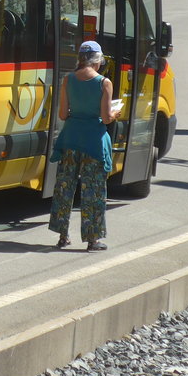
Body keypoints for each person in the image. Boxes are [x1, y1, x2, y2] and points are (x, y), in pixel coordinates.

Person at [47, 39, 116, 251]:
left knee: (64, 188)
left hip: (70, 139)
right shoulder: (104, 83)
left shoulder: (68, 79)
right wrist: (115, 114)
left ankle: (62, 236)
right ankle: (92, 240)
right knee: (93, 191)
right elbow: (105, 118)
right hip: (94, 142)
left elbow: (62, 114)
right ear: (97, 61)